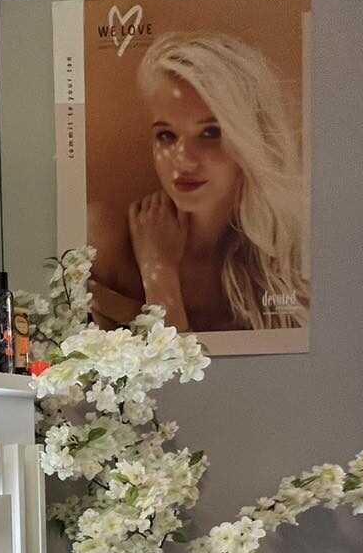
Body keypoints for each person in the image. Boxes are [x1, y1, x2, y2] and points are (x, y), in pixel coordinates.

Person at [88, 31, 309, 335]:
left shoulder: (289, 258)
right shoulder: (105, 238)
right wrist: (157, 269)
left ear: (250, 138)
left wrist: (159, 272)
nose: (183, 160)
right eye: (166, 135)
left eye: (210, 133)